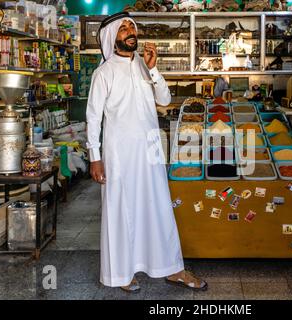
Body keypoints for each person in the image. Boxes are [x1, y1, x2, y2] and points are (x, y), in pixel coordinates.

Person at [86, 13, 207, 292]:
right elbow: (93, 118)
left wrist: (153, 69)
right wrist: (95, 157)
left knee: (159, 208)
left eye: (132, 27)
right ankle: (122, 273)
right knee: (121, 211)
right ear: (112, 37)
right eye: (123, 27)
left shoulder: (144, 65)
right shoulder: (103, 73)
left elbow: (164, 100)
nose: (130, 31)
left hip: (150, 151)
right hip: (120, 155)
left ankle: (172, 268)